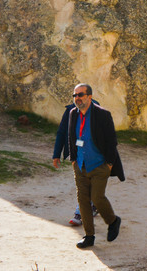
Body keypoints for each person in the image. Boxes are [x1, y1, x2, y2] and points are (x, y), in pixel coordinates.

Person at [56, 83, 124, 249]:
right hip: (80, 165)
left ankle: (113, 221)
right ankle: (89, 236)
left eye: (80, 95)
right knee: (83, 200)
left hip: (99, 165)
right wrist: (73, 159)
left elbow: (111, 141)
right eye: (75, 95)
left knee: (96, 197)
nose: (77, 98)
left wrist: (108, 164)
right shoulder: (73, 113)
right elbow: (71, 137)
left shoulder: (103, 114)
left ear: (89, 97)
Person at [54, 96, 100, 226]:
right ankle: (94, 204)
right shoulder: (70, 111)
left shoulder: (97, 111)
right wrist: (56, 154)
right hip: (76, 153)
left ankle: (79, 214)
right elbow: (61, 133)